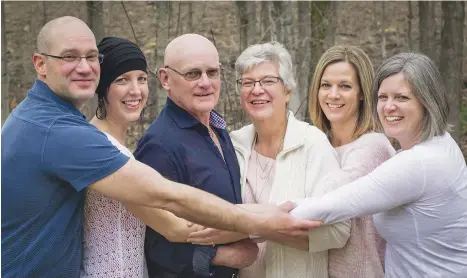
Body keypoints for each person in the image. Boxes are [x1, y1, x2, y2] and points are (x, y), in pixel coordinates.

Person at [1, 16, 320, 277]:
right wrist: (266, 224)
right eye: (69, 57)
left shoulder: (44, 119)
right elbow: (169, 206)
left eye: (90, 58)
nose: (84, 67)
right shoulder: (62, 132)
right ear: (40, 64)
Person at [291, 52, 467, 277]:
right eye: (383, 97)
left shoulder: (419, 163)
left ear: (427, 101)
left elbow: (333, 205)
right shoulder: (440, 143)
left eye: (402, 98)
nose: (389, 107)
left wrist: (251, 222)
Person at [187, 42, 351, 278]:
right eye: (248, 82)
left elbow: (339, 231)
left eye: (268, 81)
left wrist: (259, 227)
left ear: (287, 90)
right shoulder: (232, 144)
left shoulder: (312, 144)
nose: (257, 90)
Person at [133, 33, 259, 278]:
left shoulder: (218, 127)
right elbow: (154, 244)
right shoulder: (159, 146)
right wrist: (221, 257)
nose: (205, 83)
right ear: (166, 79)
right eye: (193, 74)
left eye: (212, 72)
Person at [309, 45, 395, 277]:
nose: (333, 94)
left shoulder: (374, 147)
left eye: (345, 86)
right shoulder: (318, 144)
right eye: (326, 85)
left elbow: (325, 200)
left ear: (362, 92)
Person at [80, 36, 150, 277]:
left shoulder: (115, 143)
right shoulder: (98, 147)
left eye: (141, 79)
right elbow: (170, 223)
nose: (136, 90)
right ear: (103, 86)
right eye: (122, 80)